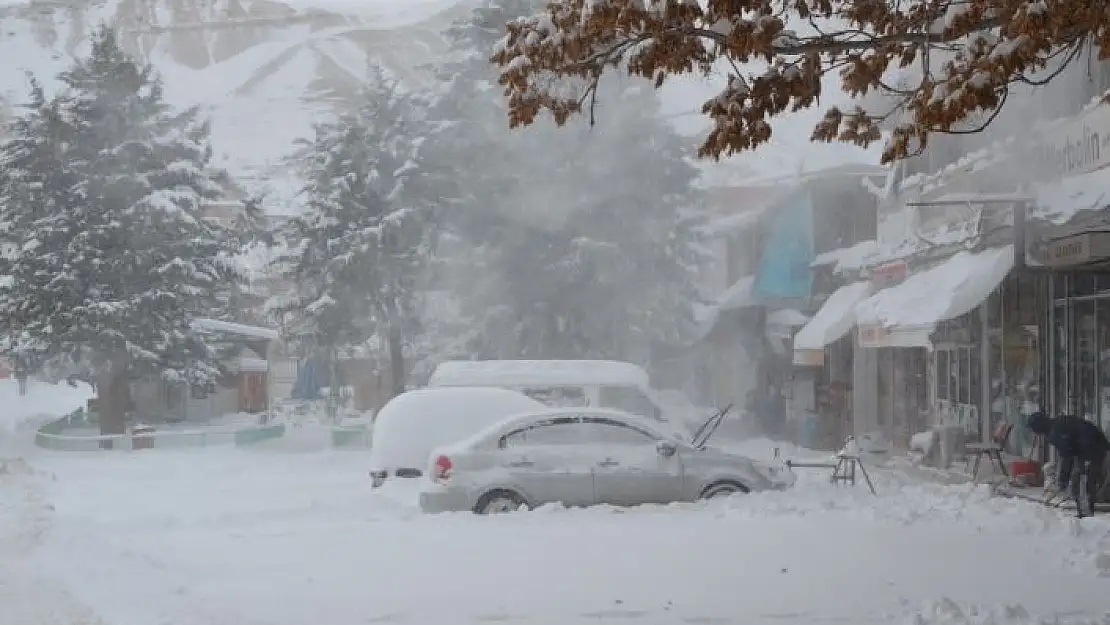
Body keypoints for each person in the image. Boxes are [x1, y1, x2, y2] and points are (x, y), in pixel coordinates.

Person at [1027, 412, 1109, 518]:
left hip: (1092, 449)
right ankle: (1083, 513)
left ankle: (1086, 516)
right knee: (1077, 481)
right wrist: (1064, 479)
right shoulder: (1055, 427)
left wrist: (1063, 479)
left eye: (1033, 429)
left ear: (1038, 426)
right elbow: (1067, 453)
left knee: (1083, 482)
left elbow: (1067, 456)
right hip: (1085, 450)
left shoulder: (1056, 431)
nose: (1034, 433)